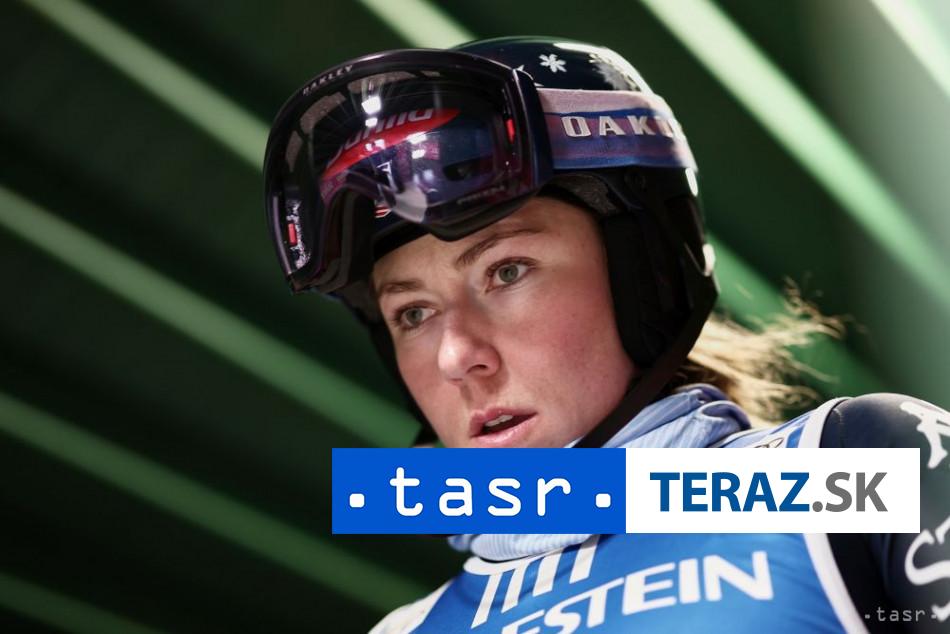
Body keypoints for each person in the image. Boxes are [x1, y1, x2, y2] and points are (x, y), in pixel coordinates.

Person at [263, 37, 950, 633]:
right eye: (412, 313)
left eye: (507, 271)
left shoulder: (865, 461)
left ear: (644, 276)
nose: (456, 356)